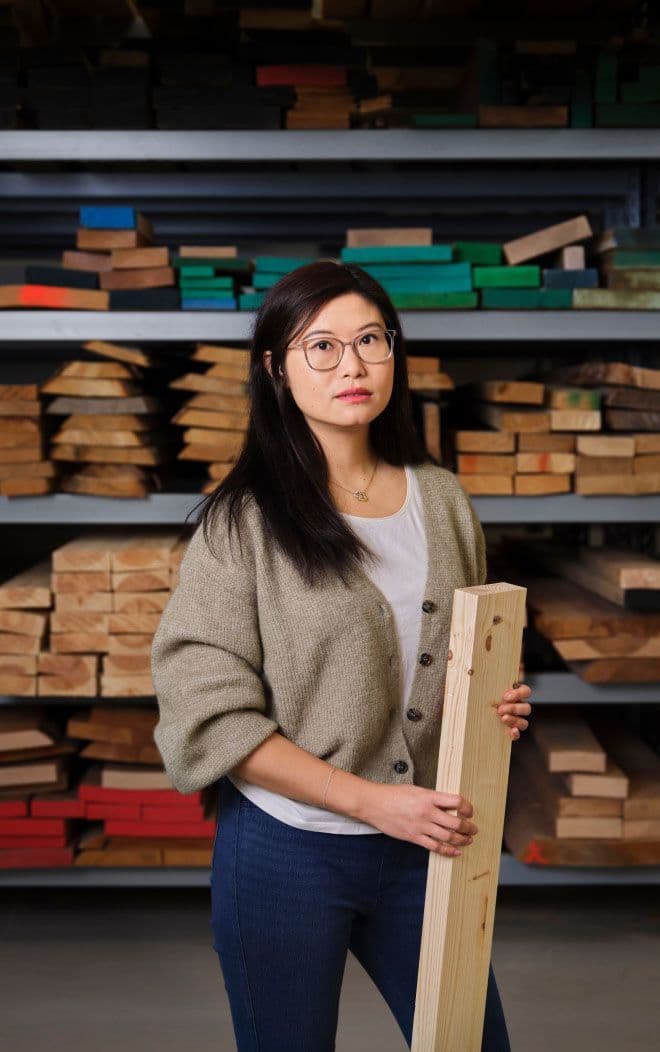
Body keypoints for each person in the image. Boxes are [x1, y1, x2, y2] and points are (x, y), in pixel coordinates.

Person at [151, 260, 533, 1052]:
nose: (352, 366)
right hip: (287, 854)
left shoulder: (442, 500)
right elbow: (209, 717)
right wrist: (368, 802)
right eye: (320, 346)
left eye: (369, 340)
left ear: (396, 351)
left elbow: (452, 655)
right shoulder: (241, 526)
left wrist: (495, 701)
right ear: (276, 370)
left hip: (424, 844)